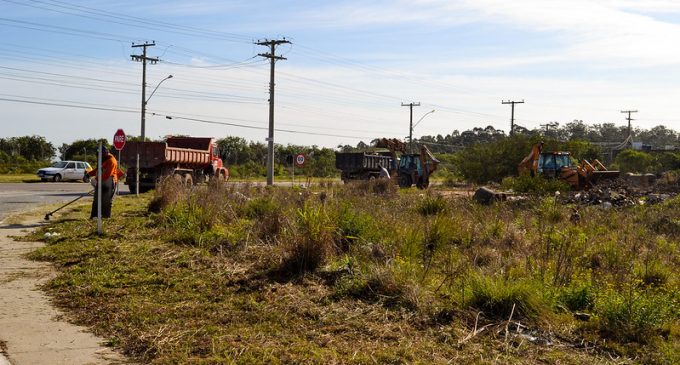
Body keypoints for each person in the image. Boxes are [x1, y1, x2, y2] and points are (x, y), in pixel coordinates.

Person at [88, 145, 118, 219]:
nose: (99, 157)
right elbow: (98, 169)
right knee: (96, 199)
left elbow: (107, 174)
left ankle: (106, 217)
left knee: (106, 201)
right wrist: (89, 174)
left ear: (105, 153)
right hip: (101, 180)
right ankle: (94, 216)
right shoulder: (102, 159)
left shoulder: (111, 161)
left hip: (110, 182)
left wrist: (96, 179)